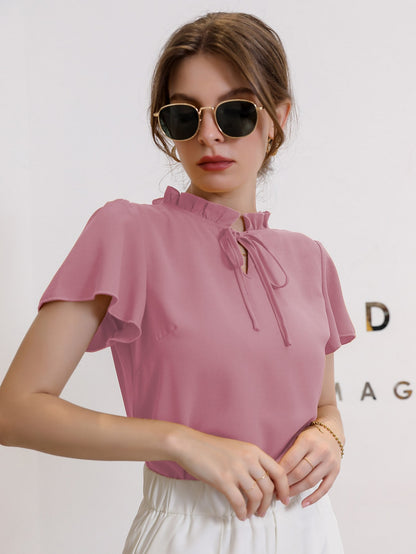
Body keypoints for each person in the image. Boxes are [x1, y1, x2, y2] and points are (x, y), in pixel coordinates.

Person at [0, 11, 356, 554]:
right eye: (184, 116)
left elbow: (324, 405)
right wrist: (181, 442)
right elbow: (15, 410)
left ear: (277, 118)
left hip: (312, 530)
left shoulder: (310, 258)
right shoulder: (127, 231)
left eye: (236, 111)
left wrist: (331, 435)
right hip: (191, 531)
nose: (210, 134)